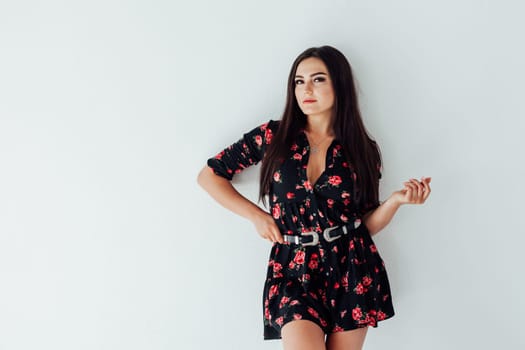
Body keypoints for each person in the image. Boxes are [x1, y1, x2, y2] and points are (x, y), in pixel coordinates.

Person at [197, 45, 431, 350]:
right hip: (293, 266)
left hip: (351, 265)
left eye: (318, 79)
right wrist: (257, 215)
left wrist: (396, 202)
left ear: (339, 85)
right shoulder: (272, 137)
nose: (306, 89)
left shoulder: (362, 149)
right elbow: (209, 176)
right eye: (299, 81)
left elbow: (365, 224)